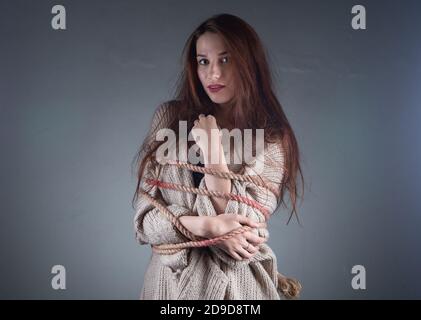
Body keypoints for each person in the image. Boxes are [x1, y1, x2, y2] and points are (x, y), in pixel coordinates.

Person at [132, 13, 304, 300]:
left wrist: (213, 150)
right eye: (204, 61)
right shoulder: (169, 120)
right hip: (167, 287)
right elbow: (144, 221)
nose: (214, 73)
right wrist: (206, 226)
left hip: (237, 290)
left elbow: (242, 221)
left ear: (248, 63)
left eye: (226, 59)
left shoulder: (272, 138)